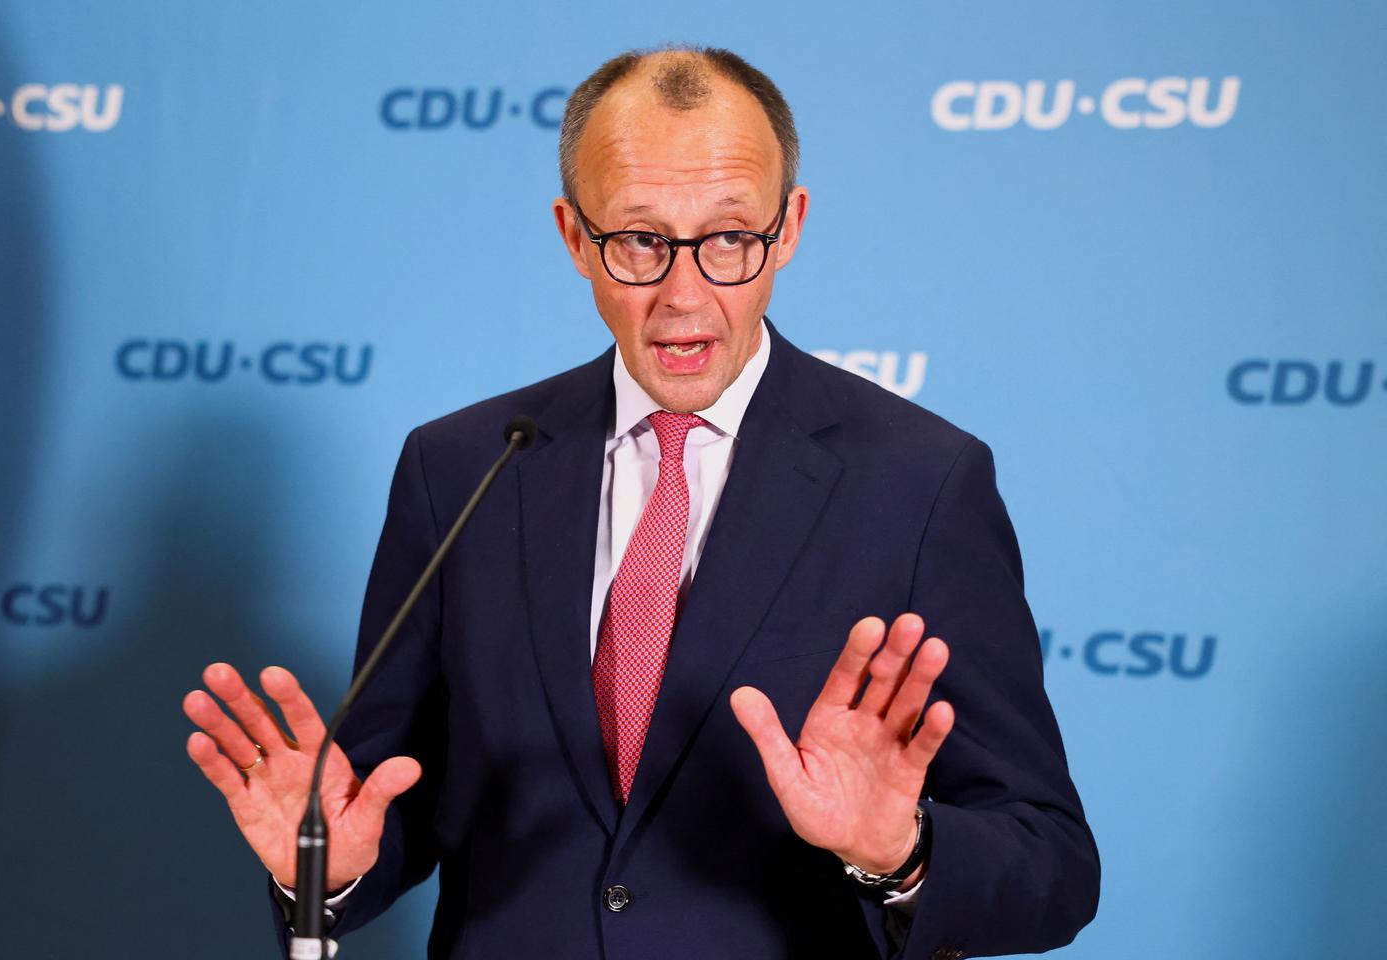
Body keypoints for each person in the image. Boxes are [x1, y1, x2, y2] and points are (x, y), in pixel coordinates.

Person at [184, 46, 1098, 960]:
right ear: (575, 237)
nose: (683, 295)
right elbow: (389, 801)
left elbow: (1052, 865)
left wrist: (900, 853)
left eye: (729, 238)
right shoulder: (460, 468)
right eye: (639, 240)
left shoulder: (921, 481)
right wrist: (326, 867)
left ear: (788, 228)